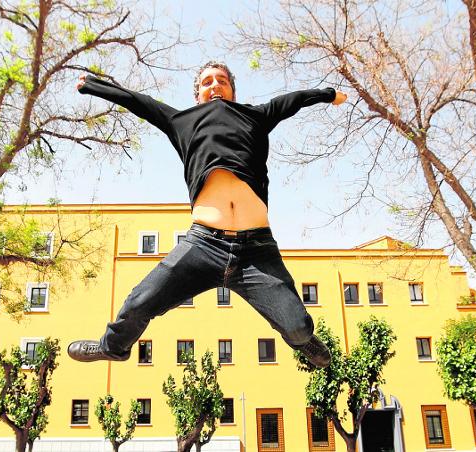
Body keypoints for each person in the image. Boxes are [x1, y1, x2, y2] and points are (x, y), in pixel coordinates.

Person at [68, 61, 347, 368]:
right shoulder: (181, 120)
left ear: (232, 90)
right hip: (203, 245)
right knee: (138, 304)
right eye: (207, 82)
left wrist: (328, 93)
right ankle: (111, 347)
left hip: (257, 251)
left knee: (297, 326)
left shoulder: (255, 115)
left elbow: (291, 101)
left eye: (222, 81)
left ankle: (302, 339)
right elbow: (140, 103)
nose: (215, 85)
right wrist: (94, 84)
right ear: (198, 94)